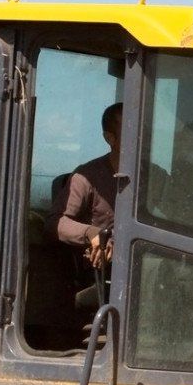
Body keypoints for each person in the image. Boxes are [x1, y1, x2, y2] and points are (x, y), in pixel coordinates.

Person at [53, 102, 121, 266]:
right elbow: (56, 222)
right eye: (131, 132)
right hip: (102, 270)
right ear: (109, 138)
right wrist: (91, 233)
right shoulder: (87, 177)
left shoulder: (155, 177)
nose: (140, 138)